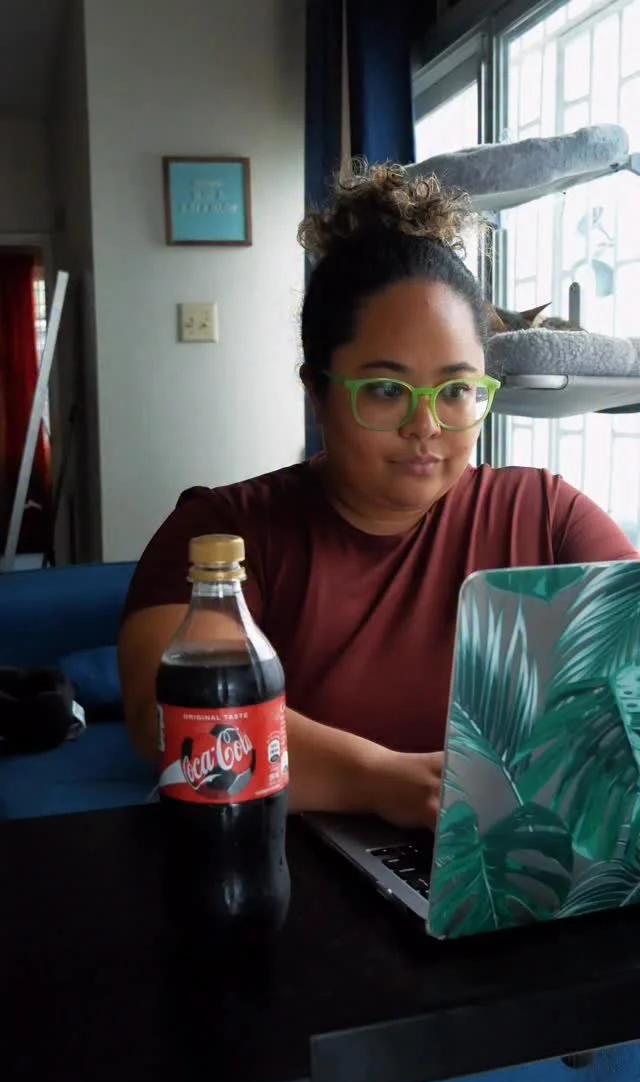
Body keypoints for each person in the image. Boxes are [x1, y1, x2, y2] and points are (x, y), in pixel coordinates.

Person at [118, 162, 637, 830]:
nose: (427, 425)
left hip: (503, 870)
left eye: (457, 390)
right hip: (279, 870)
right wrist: (380, 779)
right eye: (387, 390)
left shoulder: (547, 518)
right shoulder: (221, 538)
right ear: (317, 391)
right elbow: (171, 721)